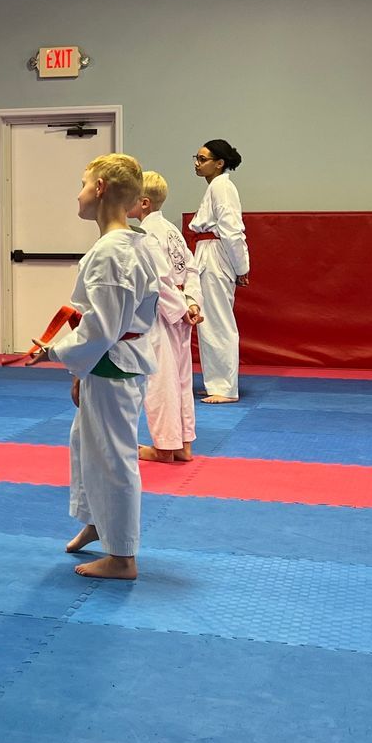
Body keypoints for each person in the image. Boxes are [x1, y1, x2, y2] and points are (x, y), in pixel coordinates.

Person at [28, 153, 161, 581]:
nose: (79, 192)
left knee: (114, 458)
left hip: (111, 363)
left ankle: (122, 556)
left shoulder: (113, 252)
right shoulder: (129, 242)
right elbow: (93, 316)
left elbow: (101, 328)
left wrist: (54, 353)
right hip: (106, 365)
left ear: (101, 188)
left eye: (83, 183)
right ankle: (97, 522)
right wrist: (76, 371)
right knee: (86, 445)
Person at [135, 170, 202, 461]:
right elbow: (191, 268)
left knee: (160, 380)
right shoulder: (172, 231)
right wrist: (191, 302)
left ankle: (164, 447)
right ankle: (184, 445)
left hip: (163, 314)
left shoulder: (147, 236)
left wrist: (179, 309)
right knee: (182, 379)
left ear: (144, 202)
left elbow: (159, 281)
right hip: (180, 311)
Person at [189, 139, 249, 403]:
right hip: (208, 252)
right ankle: (216, 382)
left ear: (219, 163)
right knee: (208, 322)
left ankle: (225, 388)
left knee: (219, 322)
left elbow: (233, 230)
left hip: (217, 253)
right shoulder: (216, 187)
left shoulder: (223, 187)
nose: (197, 163)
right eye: (197, 158)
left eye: (203, 159)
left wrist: (241, 266)